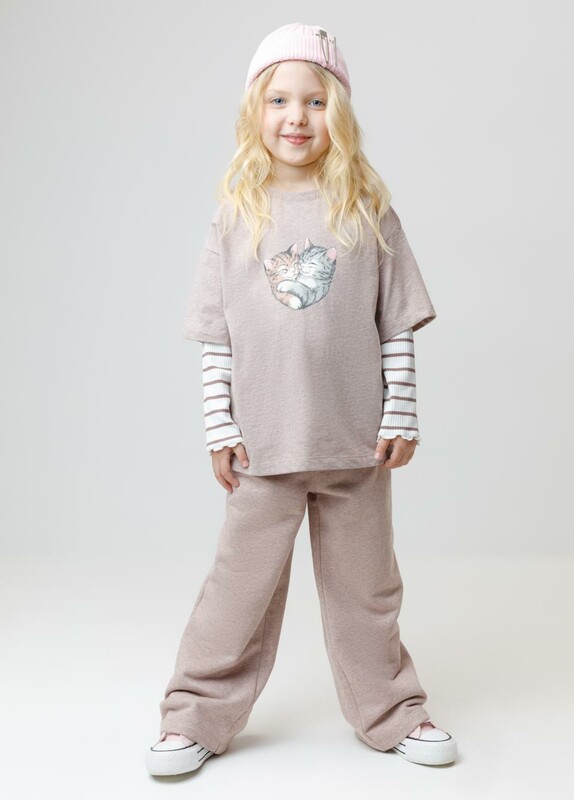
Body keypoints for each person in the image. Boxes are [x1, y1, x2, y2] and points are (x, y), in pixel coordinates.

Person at [146, 22, 458, 777]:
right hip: (263, 446)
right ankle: (194, 715)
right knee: (237, 592)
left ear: (337, 111)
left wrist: (401, 413)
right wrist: (219, 427)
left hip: (355, 445)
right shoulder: (236, 215)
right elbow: (217, 337)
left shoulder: (367, 209)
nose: (297, 117)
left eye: (315, 101)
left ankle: (392, 712)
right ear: (255, 111)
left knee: (367, 592)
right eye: (279, 100)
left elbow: (396, 325)